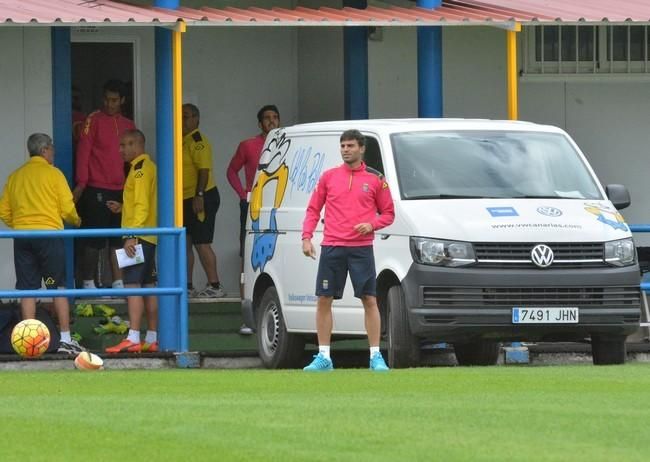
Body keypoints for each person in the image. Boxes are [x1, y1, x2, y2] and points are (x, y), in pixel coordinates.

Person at [301, 129, 395, 371]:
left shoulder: (376, 179)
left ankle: (375, 356)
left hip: (361, 249)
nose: (345, 149)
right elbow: (313, 209)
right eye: (343, 145)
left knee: (369, 299)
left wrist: (371, 225)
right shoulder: (328, 177)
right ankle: (324, 357)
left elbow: (389, 214)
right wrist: (306, 237)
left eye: (351, 145)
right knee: (324, 299)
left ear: (361, 148)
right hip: (332, 247)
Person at [0, 133, 85, 355]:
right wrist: (76, 221)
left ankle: (29, 343)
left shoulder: (16, 176)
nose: (53, 152)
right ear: (45, 150)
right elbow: (67, 209)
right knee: (57, 287)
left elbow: (3, 211)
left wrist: (19, 223)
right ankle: (65, 339)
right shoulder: (54, 174)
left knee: (27, 289)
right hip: (48, 236)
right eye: (52, 149)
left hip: (23, 237)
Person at [74, 79, 135, 291]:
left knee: (120, 237)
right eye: (107, 100)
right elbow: (84, 152)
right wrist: (81, 183)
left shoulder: (129, 125)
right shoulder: (93, 119)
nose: (110, 104)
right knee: (94, 239)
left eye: (114, 100)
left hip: (122, 189)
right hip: (96, 187)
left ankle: (120, 282)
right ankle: (88, 282)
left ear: (123, 100)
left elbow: (134, 159)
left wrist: (133, 187)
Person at [227, 104, 280, 334]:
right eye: (267, 118)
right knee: (249, 256)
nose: (271, 121)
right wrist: (243, 194)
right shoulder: (248, 145)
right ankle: (246, 317)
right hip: (252, 206)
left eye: (275, 117)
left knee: (276, 254)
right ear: (260, 123)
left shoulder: (287, 144)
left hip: (278, 207)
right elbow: (231, 171)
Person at [105, 129, 158, 353]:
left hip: (137, 237)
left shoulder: (139, 170)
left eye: (126, 144)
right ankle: (152, 338)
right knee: (148, 286)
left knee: (132, 285)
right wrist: (123, 208)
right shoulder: (147, 167)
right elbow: (140, 203)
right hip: (148, 236)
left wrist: (130, 236)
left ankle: (134, 336)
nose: (121, 149)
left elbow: (142, 205)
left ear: (138, 145)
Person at [181, 103, 225, 298]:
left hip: (201, 196)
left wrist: (199, 196)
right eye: (180, 116)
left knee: (202, 243)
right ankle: (188, 286)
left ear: (196, 119)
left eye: (187, 116)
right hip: (185, 198)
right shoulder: (182, 140)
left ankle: (215, 285)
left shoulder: (198, 141)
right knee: (186, 243)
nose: (183, 120)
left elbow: (204, 171)